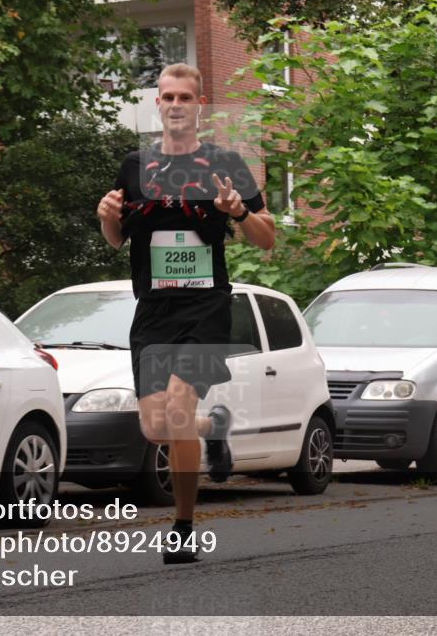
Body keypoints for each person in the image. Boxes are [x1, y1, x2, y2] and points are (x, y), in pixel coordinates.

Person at [96, 63, 276, 564]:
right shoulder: (135, 166)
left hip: (206, 306)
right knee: (157, 427)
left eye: (185, 97)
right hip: (154, 309)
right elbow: (117, 239)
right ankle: (211, 426)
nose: (176, 104)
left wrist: (238, 213)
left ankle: (182, 528)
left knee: (175, 408)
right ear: (158, 103)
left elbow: (267, 238)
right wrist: (107, 220)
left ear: (199, 105)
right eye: (167, 97)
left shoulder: (225, 163)